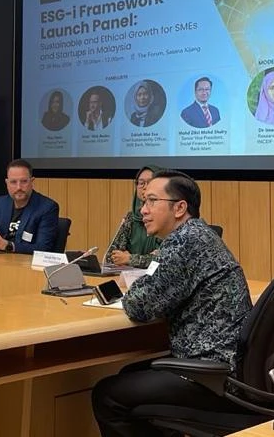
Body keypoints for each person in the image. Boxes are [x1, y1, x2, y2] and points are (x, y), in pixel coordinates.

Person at [92, 170, 252, 437]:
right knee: (129, 373)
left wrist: (139, 288)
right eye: (144, 201)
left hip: (210, 374)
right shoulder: (197, 235)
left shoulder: (184, 242)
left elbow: (139, 305)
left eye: (152, 201)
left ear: (179, 208)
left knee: (107, 395)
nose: (143, 210)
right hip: (223, 365)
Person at [0, 159, 59, 254]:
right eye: (13, 182)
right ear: (7, 183)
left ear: (32, 181)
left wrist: (7, 245)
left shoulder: (47, 207)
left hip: (25, 262)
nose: (19, 187)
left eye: (24, 181)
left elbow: (44, 249)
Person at [104, 166, 162, 269]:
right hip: (128, 275)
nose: (145, 187)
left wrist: (130, 259)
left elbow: (163, 260)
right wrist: (126, 258)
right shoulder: (131, 217)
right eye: (141, 183)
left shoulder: (165, 219)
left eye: (150, 182)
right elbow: (110, 255)